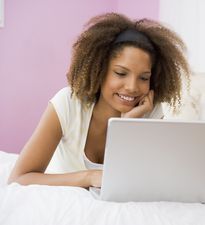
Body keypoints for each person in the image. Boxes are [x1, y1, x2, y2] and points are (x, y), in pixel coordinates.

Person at [8, 13, 190, 188]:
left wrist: (126, 128)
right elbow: (19, 178)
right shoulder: (68, 103)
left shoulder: (150, 111)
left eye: (143, 77)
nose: (132, 87)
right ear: (99, 70)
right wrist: (89, 177)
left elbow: (150, 179)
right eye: (120, 73)